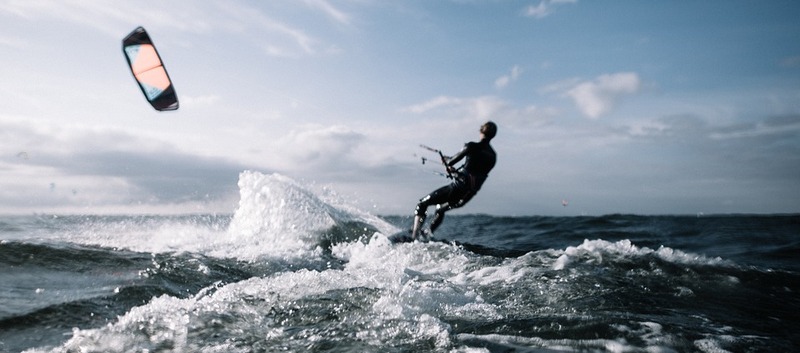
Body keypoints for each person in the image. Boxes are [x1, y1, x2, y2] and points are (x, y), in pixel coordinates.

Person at [411, 121, 497, 240]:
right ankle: (427, 234)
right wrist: (455, 171)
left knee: (422, 203)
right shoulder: (493, 156)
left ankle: (414, 236)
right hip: (467, 196)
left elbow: (451, 162)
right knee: (440, 209)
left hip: (457, 188)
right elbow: (475, 172)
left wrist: (448, 162)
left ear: (481, 131)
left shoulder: (471, 146)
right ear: (493, 135)